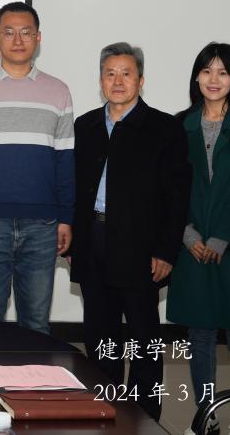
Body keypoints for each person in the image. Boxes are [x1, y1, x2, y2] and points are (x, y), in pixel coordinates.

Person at [70, 42, 190, 422]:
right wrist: (74, 242)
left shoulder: (164, 128)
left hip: (141, 248)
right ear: (100, 79)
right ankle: (105, 414)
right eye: (110, 73)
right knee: (100, 339)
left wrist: (167, 250)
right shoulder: (85, 126)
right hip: (94, 240)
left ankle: (144, 419)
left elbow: (176, 197)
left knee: (143, 340)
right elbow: (75, 188)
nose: (118, 81)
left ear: (141, 80)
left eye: (126, 73)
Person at [166, 43, 230, 435]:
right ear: (196, 77)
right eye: (207, 71)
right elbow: (172, 189)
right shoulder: (180, 126)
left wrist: (221, 238)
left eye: (223, 72)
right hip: (191, 245)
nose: (214, 79)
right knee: (200, 336)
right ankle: (205, 415)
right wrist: (188, 235)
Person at [0, 1, 75, 334]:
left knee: (35, 324)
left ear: (38, 38)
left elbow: (65, 160)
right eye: (9, 32)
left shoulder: (58, 91)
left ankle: (30, 374)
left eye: (26, 32)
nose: (18, 40)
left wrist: (66, 218)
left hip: (42, 226)